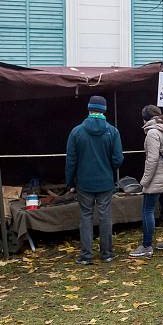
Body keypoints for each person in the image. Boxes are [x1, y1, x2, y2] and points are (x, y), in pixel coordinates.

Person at [65, 95, 124, 265]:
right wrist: (109, 168)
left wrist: (70, 182)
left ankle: (86, 255)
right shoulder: (112, 131)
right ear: (104, 110)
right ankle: (107, 254)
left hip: (84, 183)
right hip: (105, 182)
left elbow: (71, 160)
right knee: (105, 217)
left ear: (89, 109)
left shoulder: (76, 132)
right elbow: (118, 159)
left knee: (85, 217)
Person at [129, 105, 163, 259]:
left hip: (156, 178)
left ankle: (146, 246)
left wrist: (144, 181)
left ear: (144, 118)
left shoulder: (152, 133)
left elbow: (152, 159)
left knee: (148, 210)